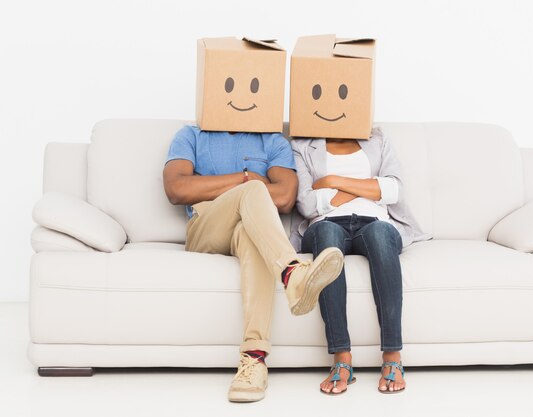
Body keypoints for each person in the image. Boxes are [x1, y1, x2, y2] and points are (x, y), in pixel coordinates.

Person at [163, 126, 344, 402]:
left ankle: (254, 360)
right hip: (206, 225)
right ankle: (292, 273)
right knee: (254, 188)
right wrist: (246, 178)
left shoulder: (272, 141)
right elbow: (177, 188)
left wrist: (215, 184)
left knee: (254, 239)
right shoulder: (191, 134)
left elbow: (284, 197)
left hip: (249, 228)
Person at [290, 126, 430, 395]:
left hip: (374, 221)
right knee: (328, 235)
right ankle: (342, 361)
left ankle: (392, 358)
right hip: (326, 223)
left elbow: (394, 189)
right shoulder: (302, 144)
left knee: (379, 234)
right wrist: (369, 187)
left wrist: (332, 180)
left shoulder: (377, 138)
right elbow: (307, 204)